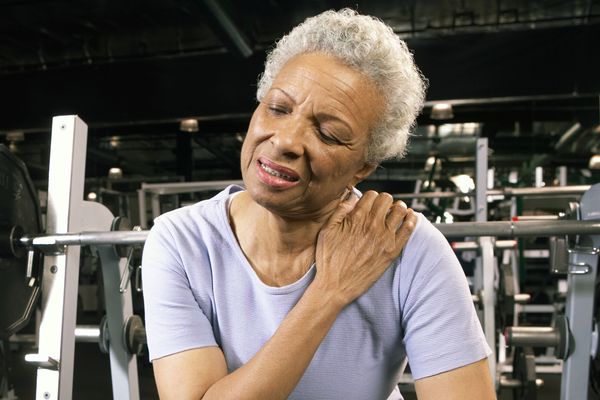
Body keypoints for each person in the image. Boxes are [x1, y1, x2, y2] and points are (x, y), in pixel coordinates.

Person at [142, 8, 495, 400]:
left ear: (363, 166)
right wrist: (329, 292)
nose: (286, 140)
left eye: (328, 134)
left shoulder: (409, 250)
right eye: (277, 108)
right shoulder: (180, 241)